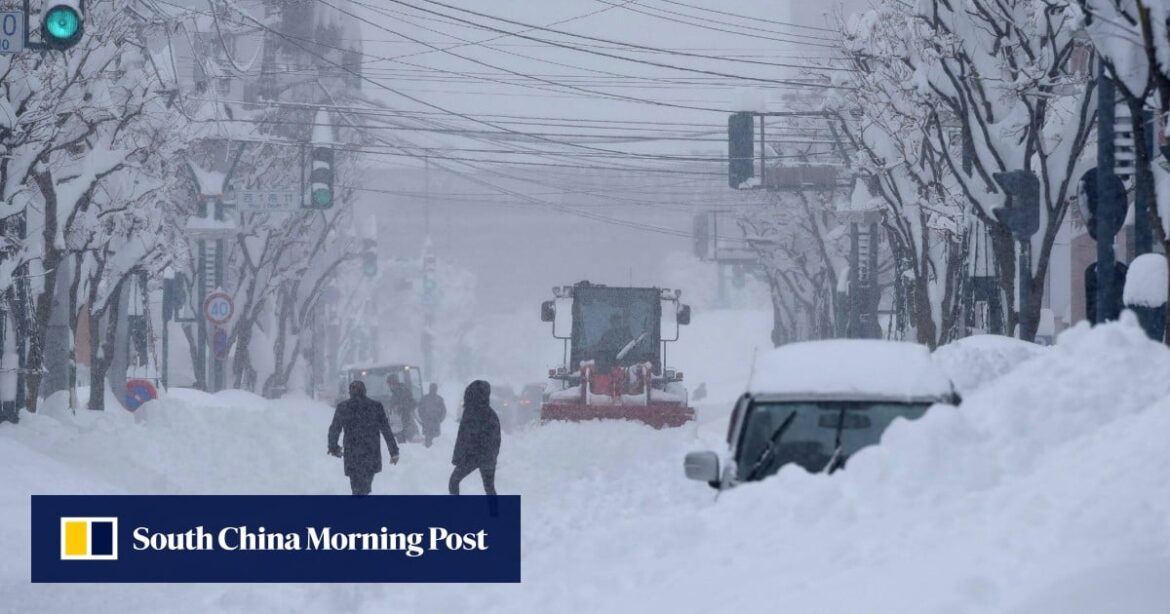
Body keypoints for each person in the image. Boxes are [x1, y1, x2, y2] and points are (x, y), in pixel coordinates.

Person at [328, 380, 400, 495]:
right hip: (371, 453)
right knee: (365, 485)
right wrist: (394, 451)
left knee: (356, 486)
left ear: (350, 392)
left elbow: (334, 429)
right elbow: (386, 430)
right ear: (365, 391)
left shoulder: (343, 407)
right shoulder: (376, 406)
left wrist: (333, 448)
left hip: (352, 454)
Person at [449, 380, 500, 496]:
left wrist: (458, 457)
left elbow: (463, 438)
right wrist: (491, 458)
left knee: (454, 482)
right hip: (486, 457)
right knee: (489, 488)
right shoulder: (491, 414)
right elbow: (496, 440)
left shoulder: (470, 413)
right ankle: (494, 508)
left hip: (471, 457)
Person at [388, 374, 420, 442]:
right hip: (400, 421)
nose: (389, 386)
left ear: (392, 383)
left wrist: (400, 407)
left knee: (411, 441)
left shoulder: (401, 391)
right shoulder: (397, 391)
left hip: (404, 421)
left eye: (389, 384)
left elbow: (411, 403)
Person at [418, 383, 447, 448]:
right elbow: (444, 411)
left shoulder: (425, 398)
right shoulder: (438, 399)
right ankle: (431, 451)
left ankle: (429, 451)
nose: (433, 390)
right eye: (432, 388)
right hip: (432, 422)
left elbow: (420, 410)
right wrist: (439, 419)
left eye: (434, 388)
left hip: (430, 422)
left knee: (431, 440)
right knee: (434, 441)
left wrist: (423, 418)